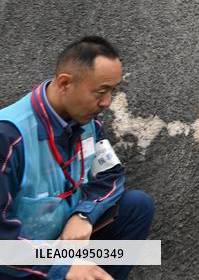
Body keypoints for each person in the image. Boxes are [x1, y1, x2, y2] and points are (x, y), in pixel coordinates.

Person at [1, 37, 155, 280]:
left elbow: (111, 175)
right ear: (65, 83)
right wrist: (61, 267)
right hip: (17, 263)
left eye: (113, 91)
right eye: (101, 91)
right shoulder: (9, 136)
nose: (107, 102)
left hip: (65, 245)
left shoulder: (88, 122)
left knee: (137, 206)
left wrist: (84, 214)